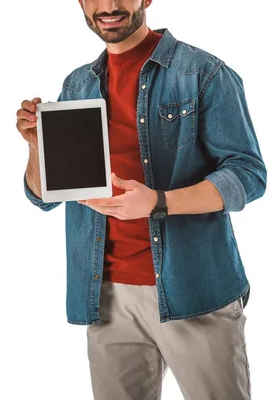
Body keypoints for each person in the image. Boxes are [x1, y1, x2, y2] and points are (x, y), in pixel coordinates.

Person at [15, 1, 266, 398]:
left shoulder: (203, 73)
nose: (109, 6)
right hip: (106, 295)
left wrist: (158, 202)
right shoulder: (77, 85)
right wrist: (36, 148)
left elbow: (247, 175)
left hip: (192, 291)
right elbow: (44, 197)